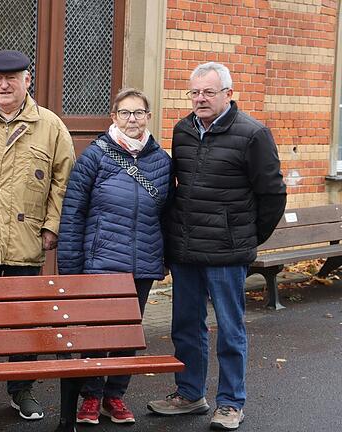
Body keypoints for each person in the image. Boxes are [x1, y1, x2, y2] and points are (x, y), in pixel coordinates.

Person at [147, 62, 286, 431]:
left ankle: (230, 403)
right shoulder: (182, 130)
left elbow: (272, 194)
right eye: (194, 92)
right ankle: (190, 394)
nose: (200, 99)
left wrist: (247, 238)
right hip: (186, 249)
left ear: (228, 93)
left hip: (227, 252)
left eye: (208, 92)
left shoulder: (253, 134)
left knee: (229, 328)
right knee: (185, 326)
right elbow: (178, 189)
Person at [0, 50, 75, 421]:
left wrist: (52, 225)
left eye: (12, 78)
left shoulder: (50, 126)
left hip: (26, 239)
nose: (3, 85)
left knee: (26, 319)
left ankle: (23, 389)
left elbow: (63, 180)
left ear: (27, 80)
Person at [56, 88, 172, 427]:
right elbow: (73, 213)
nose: (132, 120)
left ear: (148, 117)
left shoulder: (162, 162)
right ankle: (90, 395)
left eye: (138, 113)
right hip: (101, 263)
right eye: (125, 113)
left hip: (142, 265)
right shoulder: (95, 157)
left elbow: (167, 215)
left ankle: (114, 396)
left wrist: (163, 259)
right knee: (96, 334)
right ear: (114, 117)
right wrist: (71, 268)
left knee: (128, 336)